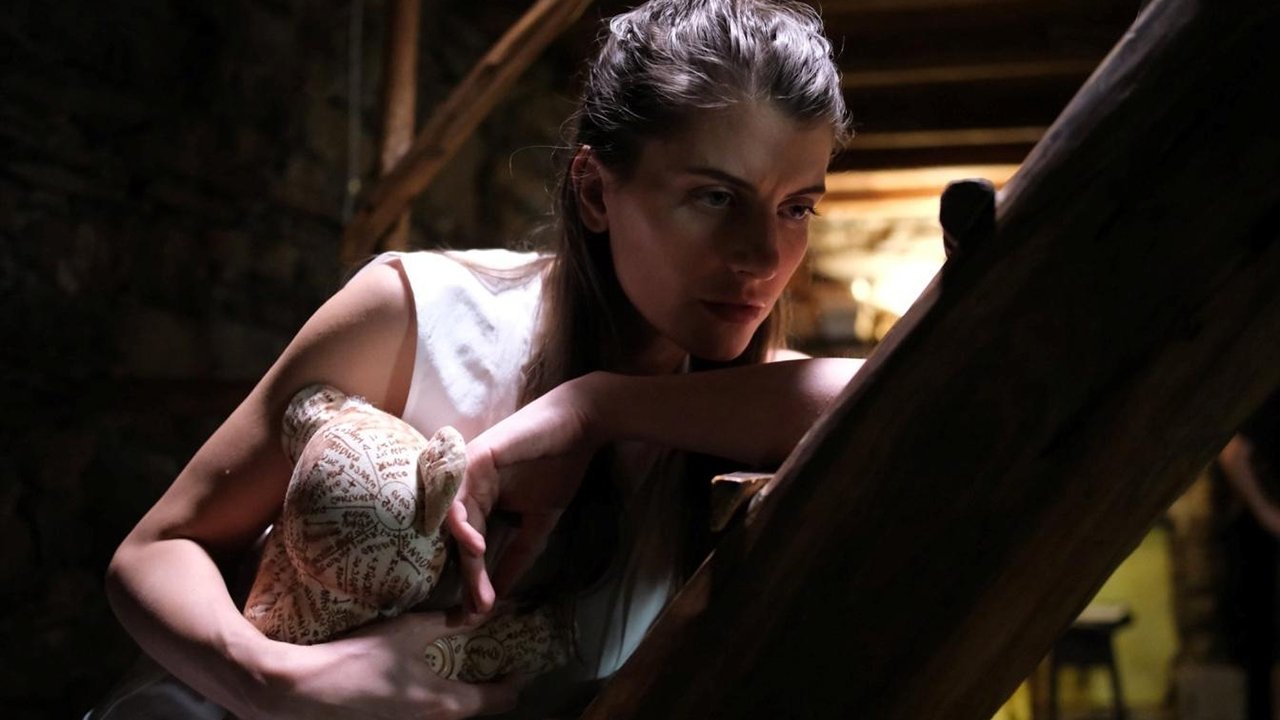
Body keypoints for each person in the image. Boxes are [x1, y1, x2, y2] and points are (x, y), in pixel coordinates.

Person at [92, 1, 863, 718]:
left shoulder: (741, 403)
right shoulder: (418, 313)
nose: (764, 256)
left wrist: (596, 407)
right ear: (595, 192)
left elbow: (871, 397)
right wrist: (275, 684)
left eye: (796, 207)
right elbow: (155, 551)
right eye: (716, 198)